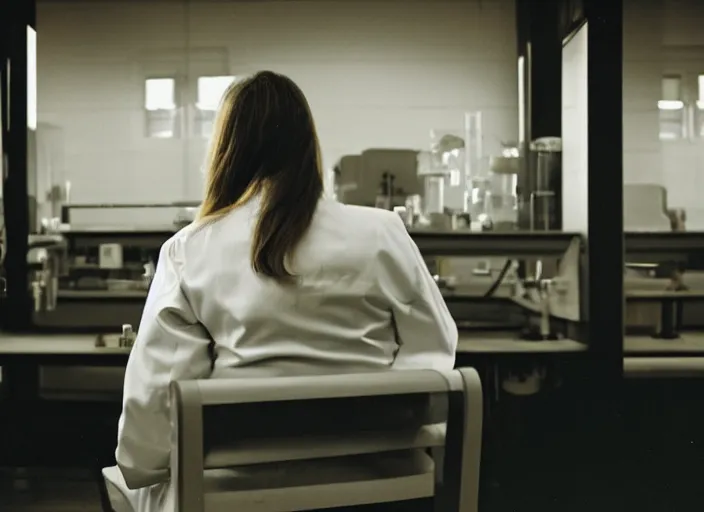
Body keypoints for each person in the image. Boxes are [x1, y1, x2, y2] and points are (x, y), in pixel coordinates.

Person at [110, 70, 457, 511]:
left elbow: (154, 400)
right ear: (307, 144)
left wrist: (139, 468)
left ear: (226, 152)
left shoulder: (189, 249)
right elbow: (432, 355)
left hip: (233, 495)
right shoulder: (382, 232)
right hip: (380, 490)